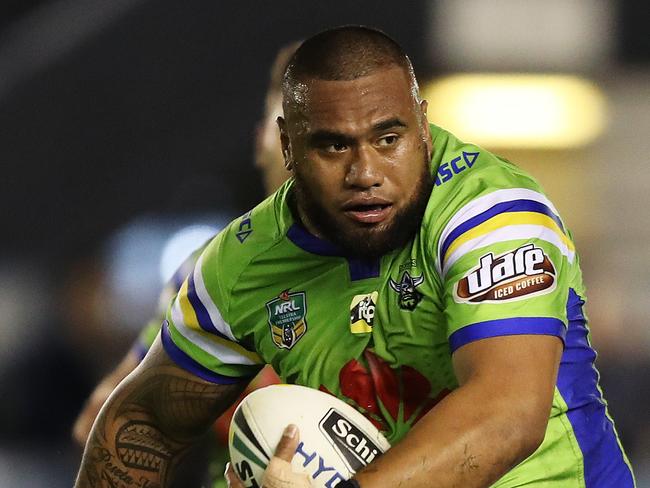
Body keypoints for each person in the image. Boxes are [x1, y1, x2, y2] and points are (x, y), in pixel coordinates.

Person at [75, 26, 636, 488]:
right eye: (334, 146)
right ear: (288, 147)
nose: (365, 174)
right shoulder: (238, 267)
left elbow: (507, 414)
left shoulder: (494, 216)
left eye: (388, 139)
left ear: (422, 123)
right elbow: (141, 421)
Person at [71, 43, 297, 486]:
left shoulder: (433, 255)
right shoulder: (210, 270)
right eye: (289, 131)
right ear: (262, 141)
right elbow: (108, 419)